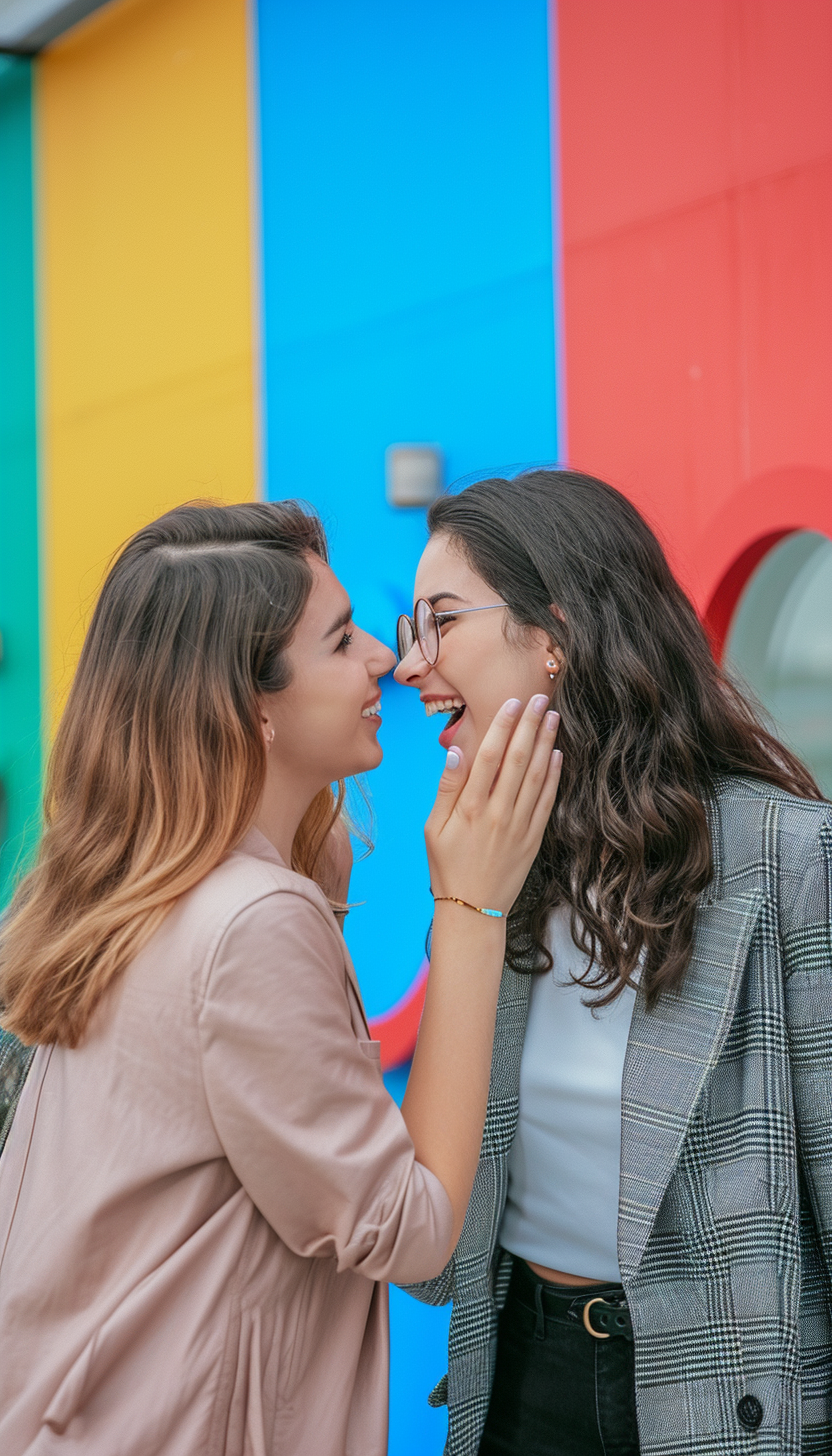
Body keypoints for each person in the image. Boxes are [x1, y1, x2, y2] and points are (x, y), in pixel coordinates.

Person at [0, 500, 562, 1456]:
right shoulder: (249, 920)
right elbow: (411, 1229)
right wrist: (471, 911)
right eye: (341, 642)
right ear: (252, 706)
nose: (386, 661)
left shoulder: (136, 889)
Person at [394, 468, 832, 1456]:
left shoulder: (790, 858)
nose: (410, 663)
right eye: (405, 630)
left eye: (440, 620)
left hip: (726, 1402)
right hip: (519, 1377)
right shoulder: (488, 871)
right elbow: (428, 1251)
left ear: (553, 635)